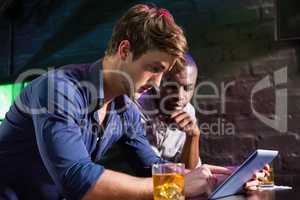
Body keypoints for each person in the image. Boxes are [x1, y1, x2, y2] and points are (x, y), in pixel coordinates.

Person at [0, 4, 232, 200]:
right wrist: (177, 185)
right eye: (154, 68)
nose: (158, 84)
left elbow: (150, 169)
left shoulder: (125, 110)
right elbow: (76, 179)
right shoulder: (58, 90)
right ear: (124, 50)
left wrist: (217, 178)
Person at [135, 53, 201, 169]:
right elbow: (150, 170)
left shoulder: (188, 110)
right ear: (159, 82)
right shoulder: (137, 107)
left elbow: (190, 171)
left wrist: (193, 136)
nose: (180, 96)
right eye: (172, 87)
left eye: (188, 88)